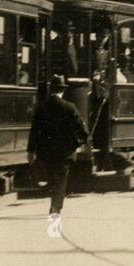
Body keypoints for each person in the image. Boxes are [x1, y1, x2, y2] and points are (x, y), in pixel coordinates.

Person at [28, 75, 90, 219]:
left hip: (46, 152)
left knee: (52, 177)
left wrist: (31, 150)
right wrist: (79, 144)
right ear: (62, 91)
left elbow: (34, 130)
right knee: (61, 180)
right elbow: (83, 130)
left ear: (51, 90)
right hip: (65, 152)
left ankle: (54, 204)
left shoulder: (41, 107)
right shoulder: (70, 107)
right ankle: (55, 207)